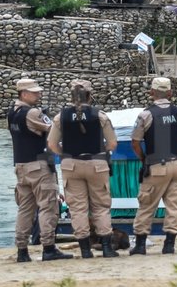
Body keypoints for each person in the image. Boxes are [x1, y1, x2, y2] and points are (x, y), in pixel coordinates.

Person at [129, 77, 177, 255]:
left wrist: (143, 159)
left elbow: (135, 142)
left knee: (147, 204)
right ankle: (169, 244)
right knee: (174, 206)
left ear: (151, 93)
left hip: (155, 165)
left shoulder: (146, 114)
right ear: (170, 93)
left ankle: (140, 244)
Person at [47, 79, 119, 259]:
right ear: (89, 95)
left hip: (71, 165)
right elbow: (112, 143)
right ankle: (107, 248)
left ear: (72, 96)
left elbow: (52, 144)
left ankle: (85, 250)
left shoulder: (60, 117)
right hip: (97, 164)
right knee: (101, 207)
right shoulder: (100, 115)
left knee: (78, 208)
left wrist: (66, 153)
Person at [9, 78, 72, 262]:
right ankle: (48, 247)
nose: (39, 94)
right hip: (38, 165)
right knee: (48, 206)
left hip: (21, 165)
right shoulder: (32, 113)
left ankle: (22, 249)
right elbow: (53, 129)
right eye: (35, 92)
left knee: (25, 209)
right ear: (24, 93)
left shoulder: (12, 112)